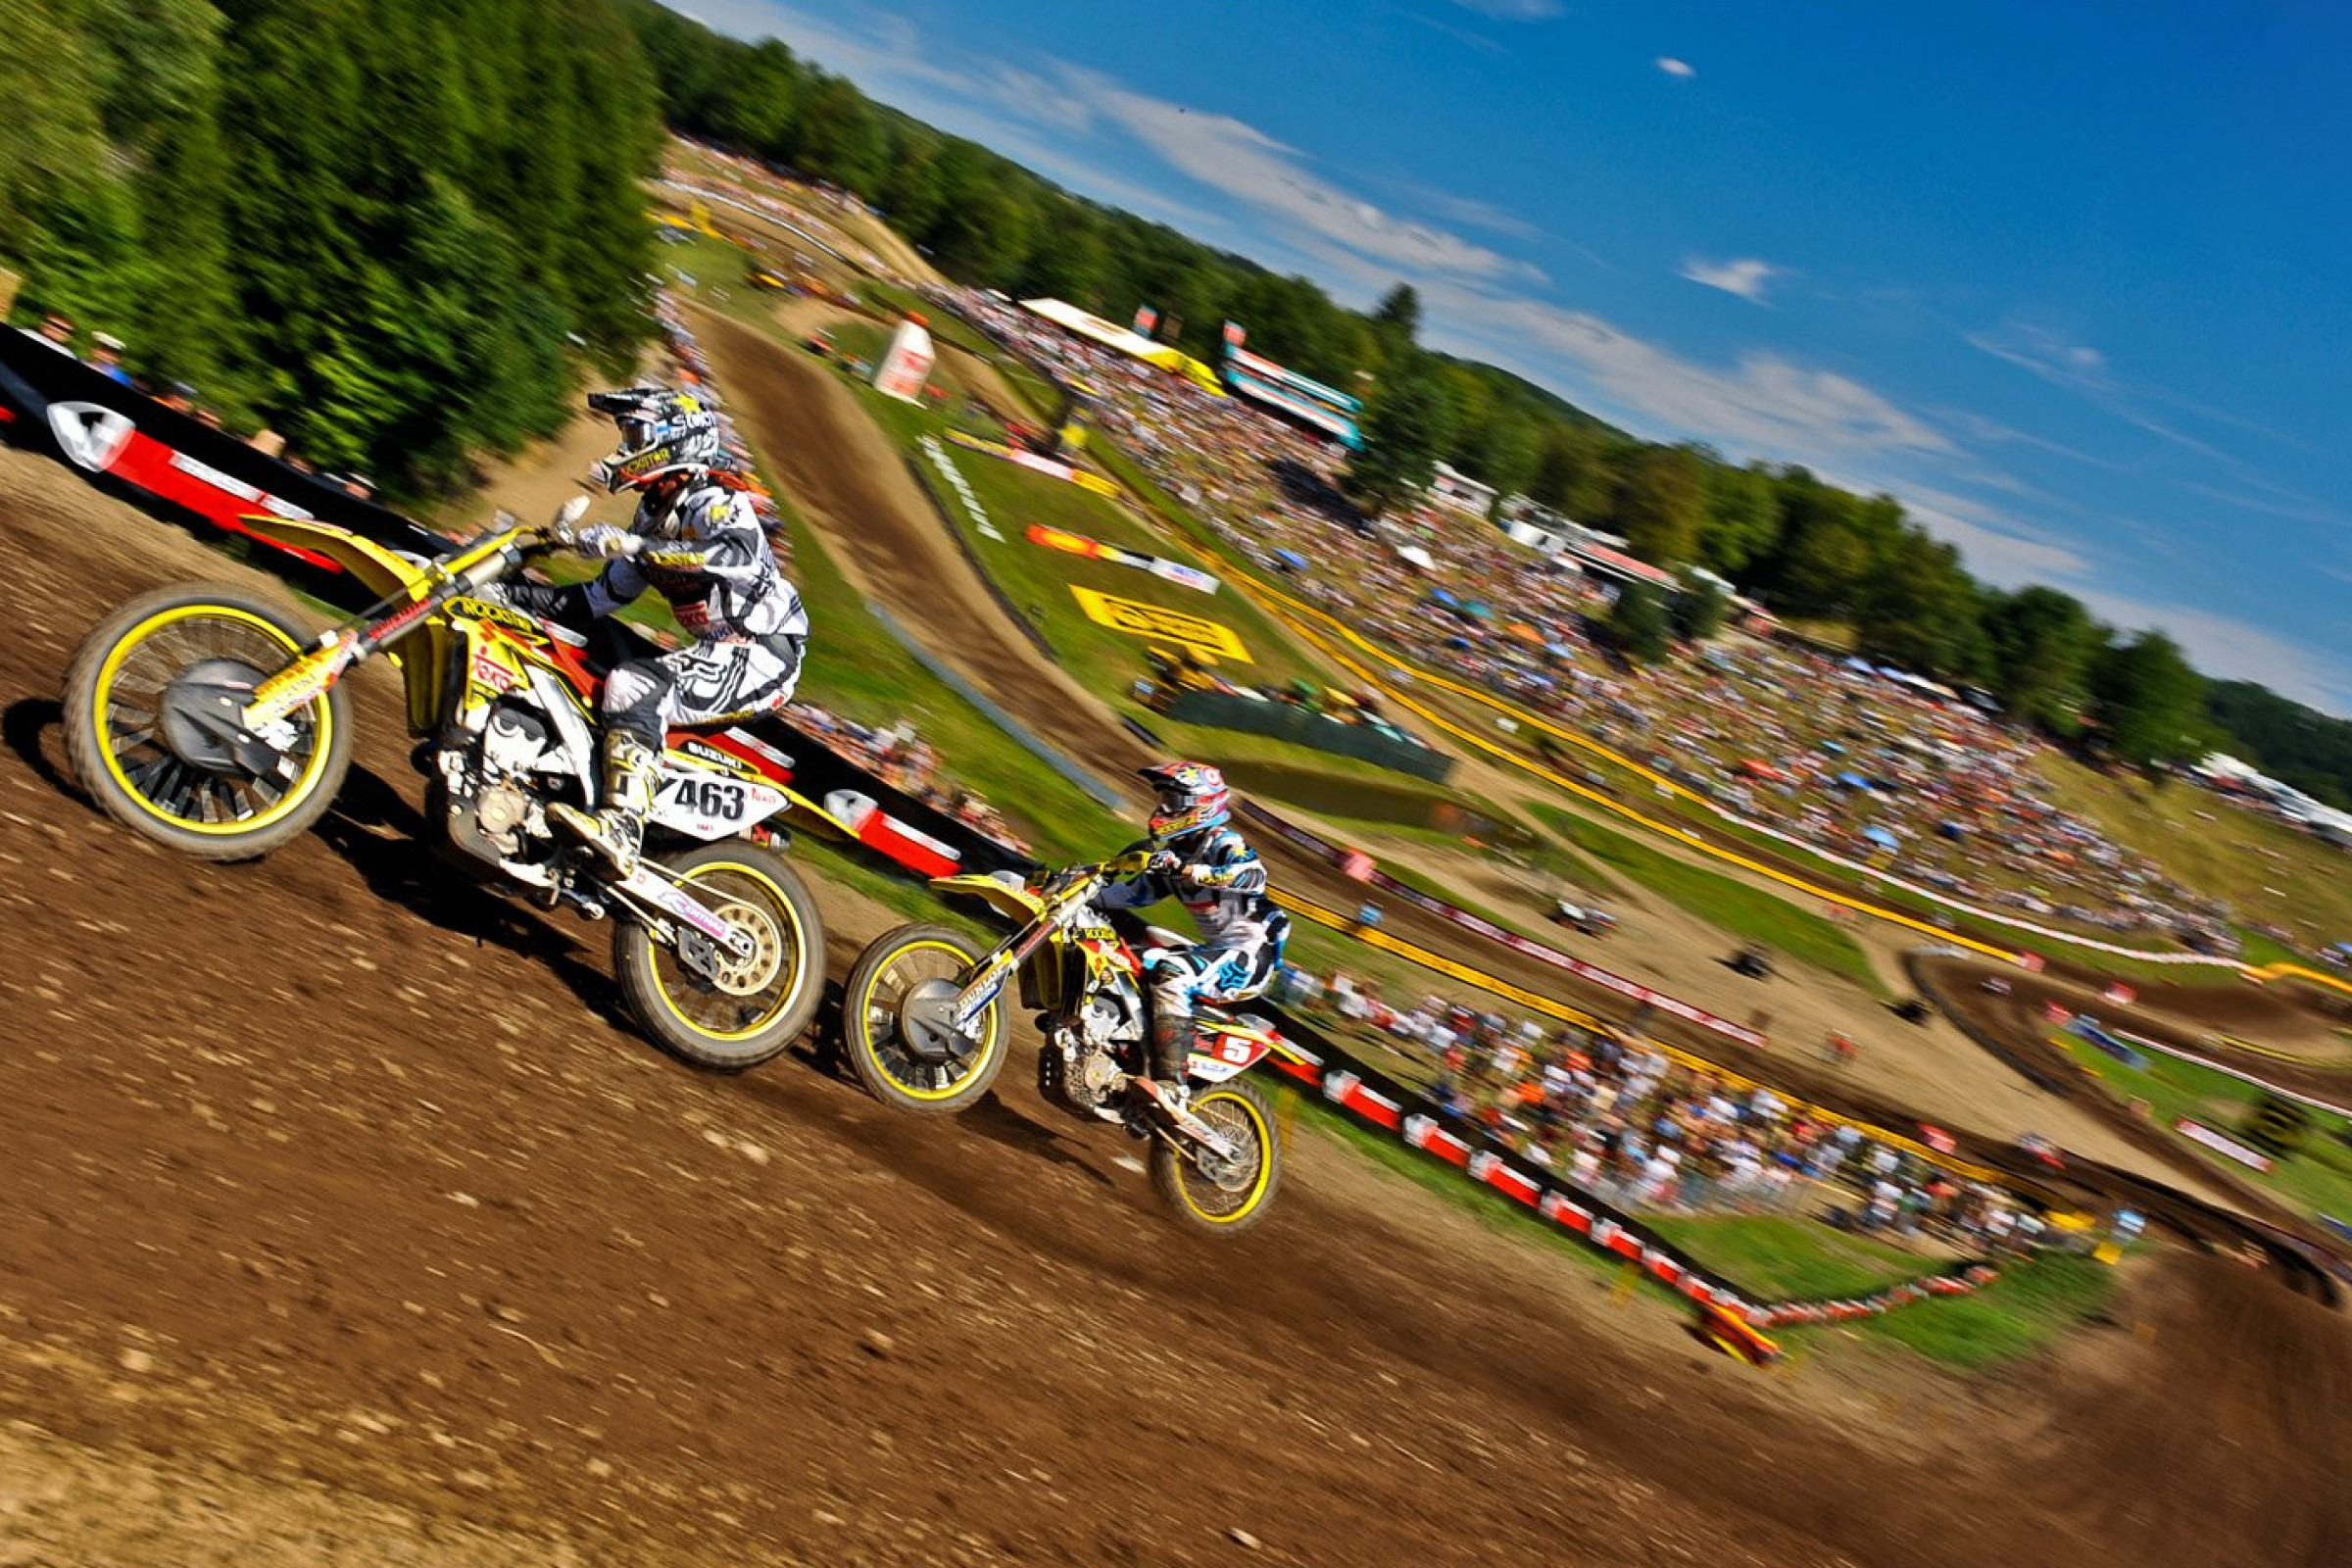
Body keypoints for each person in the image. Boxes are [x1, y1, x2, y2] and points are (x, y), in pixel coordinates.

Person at [504, 386, 808, 875]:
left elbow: (737, 556)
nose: (625, 447)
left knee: (632, 685)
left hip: (762, 654)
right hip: (722, 651)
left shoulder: (715, 500)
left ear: (673, 440)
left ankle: (621, 828)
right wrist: (509, 594)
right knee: (589, 678)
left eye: (635, 435)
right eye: (626, 436)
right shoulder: (651, 516)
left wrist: (634, 547)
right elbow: (596, 600)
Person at [1098, 761, 1290, 1131]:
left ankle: (1174, 1086)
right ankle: (1127, 1059)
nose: (1163, 808)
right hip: (1216, 947)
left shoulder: (1223, 843)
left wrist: (1195, 872)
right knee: (1126, 959)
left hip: (1252, 954)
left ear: (1200, 805)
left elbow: (1253, 875)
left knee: (1172, 973)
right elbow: (1131, 893)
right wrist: (1079, 889)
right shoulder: (1174, 855)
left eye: (1173, 801)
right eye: (1163, 799)